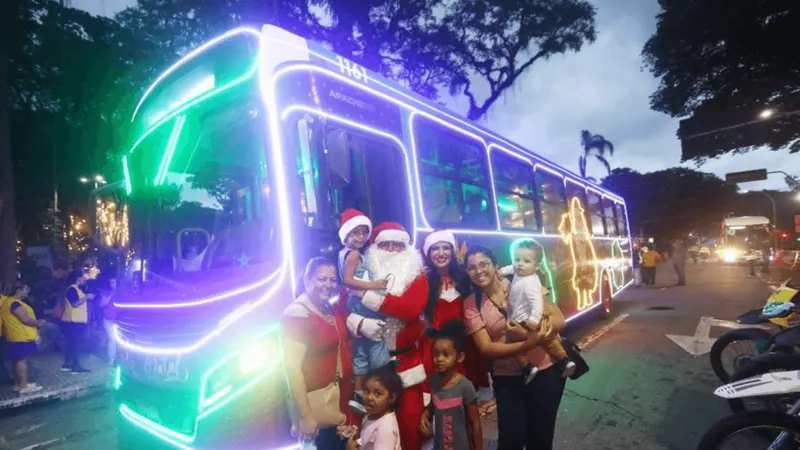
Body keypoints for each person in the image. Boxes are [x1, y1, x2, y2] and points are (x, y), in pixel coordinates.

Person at [461, 246, 566, 450]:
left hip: (546, 372)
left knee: (541, 439)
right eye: (472, 267)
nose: (479, 271)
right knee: (511, 441)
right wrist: (528, 343)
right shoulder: (471, 304)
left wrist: (534, 334)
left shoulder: (521, 282)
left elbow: (560, 320)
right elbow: (487, 348)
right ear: (466, 272)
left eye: (484, 264)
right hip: (507, 379)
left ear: (495, 265)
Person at [345, 222, 430, 450]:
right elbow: (343, 307)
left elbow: (410, 309)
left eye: (398, 245)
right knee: (373, 431)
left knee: (410, 429)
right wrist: (358, 322)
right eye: (385, 244)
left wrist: (366, 296)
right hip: (373, 368)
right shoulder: (362, 271)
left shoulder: (417, 276)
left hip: (407, 366)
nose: (392, 250)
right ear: (374, 247)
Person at [282, 257, 356, 450]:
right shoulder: (297, 313)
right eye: (321, 279)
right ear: (307, 280)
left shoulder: (326, 307)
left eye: (332, 280)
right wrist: (306, 417)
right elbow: (292, 370)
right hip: (316, 409)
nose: (328, 285)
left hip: (335, 404)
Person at [419, 230, 493, 415]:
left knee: (467, 406)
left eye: (446, 248)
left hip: (466, 350)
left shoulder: (465, 277)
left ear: (453, 252)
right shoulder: (422, 281)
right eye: (435, 248)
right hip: (437, 352)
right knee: (441, 404)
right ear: (428, 252)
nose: (441, 253)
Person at [337, 208, 390, 413]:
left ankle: (359, 393)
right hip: (361, 303)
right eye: (355, 233)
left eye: (363, 232)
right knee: (377, 339)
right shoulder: (353, 255)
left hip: (353, 304)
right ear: (346, 234)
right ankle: (379, 384)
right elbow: (348, 281)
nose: (360, 237)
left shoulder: (343, 254)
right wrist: (376, 285)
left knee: (361, 350)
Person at [500, 240, 575, 382]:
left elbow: (537, 304)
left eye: (526, 261)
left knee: (539, 339)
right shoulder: (519, 272)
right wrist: (501, 272)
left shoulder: (532, 283)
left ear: (537, 266)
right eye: (517, 259)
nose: (520, 264)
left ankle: (560, 360)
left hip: (528, 319)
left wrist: (534, 320)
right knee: (543, 339)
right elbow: (511, 268)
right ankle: (561, 361)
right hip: (520, 317)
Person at [420, 320, 483, 450]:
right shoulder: (433, 382)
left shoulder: (465, 387)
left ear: (460, 357)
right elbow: (434, 405)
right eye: (436, 354)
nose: (440, 359)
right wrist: (426, 413)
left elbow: (475, 424)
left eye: (446, 354)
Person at [0, 281, 46, 394]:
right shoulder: (15, 303)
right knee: (22, 360)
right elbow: (25, 319)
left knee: (16, 360)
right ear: (18, 290)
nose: (27, 291)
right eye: (25, 289)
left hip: (14, 335)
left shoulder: (7, 302)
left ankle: (18, 384)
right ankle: (24, 386)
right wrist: (38, 323)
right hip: (20, 336)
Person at [346, 365, 403, 450]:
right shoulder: (370, 416)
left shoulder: (385, 428)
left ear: (392, 398)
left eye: (378, 394)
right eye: (367, 391)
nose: (370, 397)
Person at [61, 270, 93, 373]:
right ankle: (75, 367)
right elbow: (75, 303)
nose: (85, 279)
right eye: (83, 278)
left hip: (74, 321)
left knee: (71, 344)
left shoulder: (77, 289)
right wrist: (87, 297)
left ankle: (67, 365)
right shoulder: (71, 289)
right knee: (75, 344)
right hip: (73, 322)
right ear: (78, 278)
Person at [99, 277, 118, 365]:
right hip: (108, 320)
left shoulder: (122, 292)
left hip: (119, 321)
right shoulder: (106, 293)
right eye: (111, 283)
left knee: (119, 341)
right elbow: (101, 304)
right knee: (112, 339)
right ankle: (111, 360)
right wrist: (110, 295)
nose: (113, 284)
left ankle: (117, 358)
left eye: (115, 282)